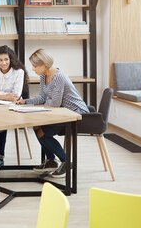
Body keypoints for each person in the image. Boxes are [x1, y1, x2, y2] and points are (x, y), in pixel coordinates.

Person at [17, 48, 89, 178]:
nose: (33, 69)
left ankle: (66, 162)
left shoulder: (59, 77)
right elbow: (43, 98)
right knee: (37, 127)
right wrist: (26, 101)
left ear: (44, 65)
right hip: (63, 113)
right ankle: (51, 161)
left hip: (77, 114)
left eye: (35, 66)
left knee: (43, 133)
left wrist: (47, 101)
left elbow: (55, 103)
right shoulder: (44, 76)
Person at [0, 45, 29, 169]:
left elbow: (16, 96)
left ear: (11, 59)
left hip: (12, 108)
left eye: (6, 59)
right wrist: (3, 96)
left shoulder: (19, 72)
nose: (3, 63)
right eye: (0, 60)